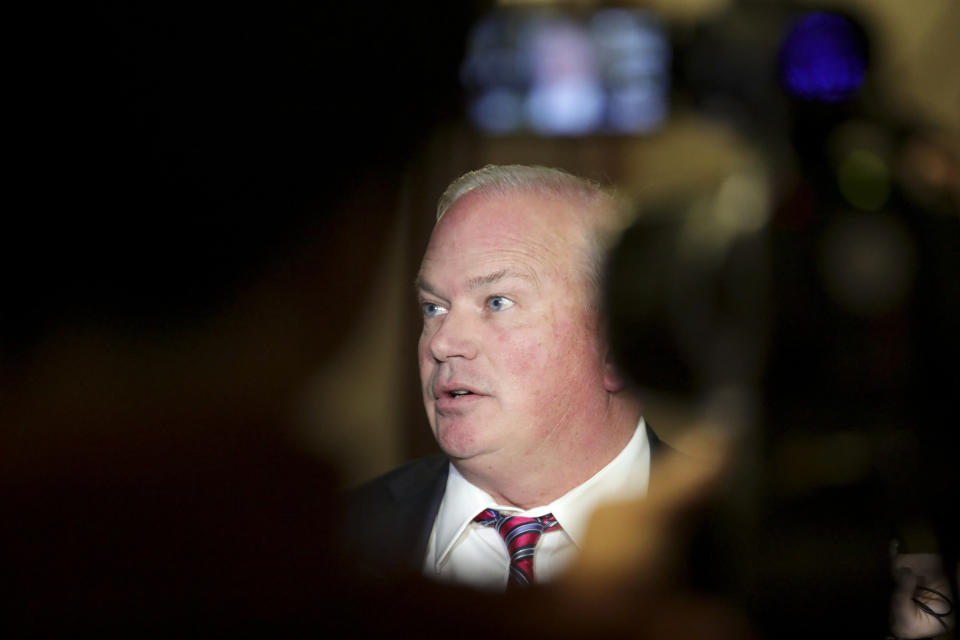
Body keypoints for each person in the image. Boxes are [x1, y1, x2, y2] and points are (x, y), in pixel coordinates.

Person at [343, 164, 670, 591]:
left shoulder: (734, 547)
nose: (442, 344)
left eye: (497, 302)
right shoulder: (334, 542)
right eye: (433, 307)